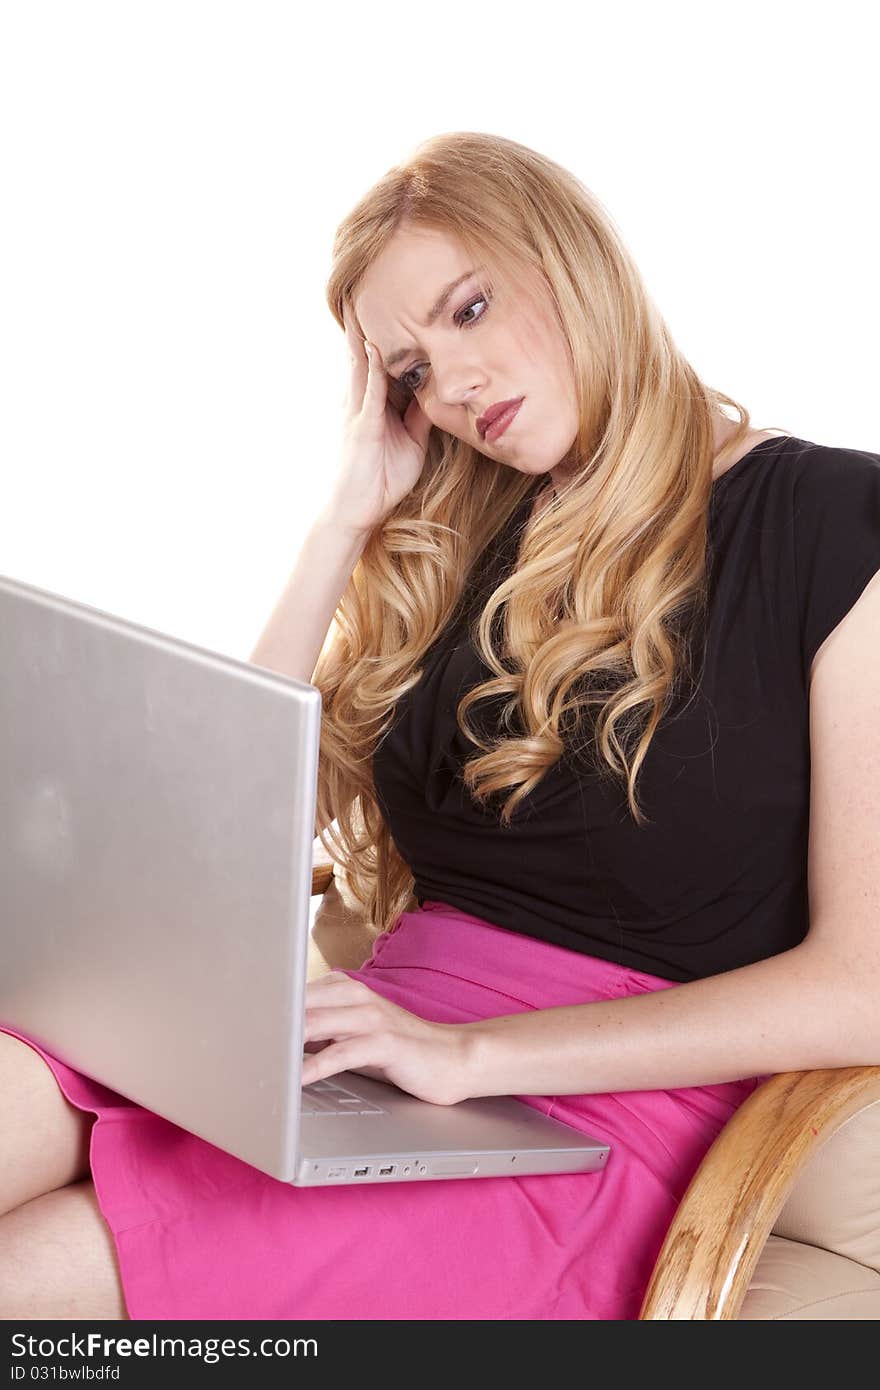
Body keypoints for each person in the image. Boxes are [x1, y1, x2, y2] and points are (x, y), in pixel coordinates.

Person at [2, 131, 879, 1322]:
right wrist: (343, 521)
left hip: (582, 1112)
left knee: (34, 1272)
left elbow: (861, 983)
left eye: (469, 309)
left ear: (573, 262)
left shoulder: (834, 520)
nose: (453, 385)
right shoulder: (463, 537)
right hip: (362, 1043)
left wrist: (465, 1059)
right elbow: (222, 827)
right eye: (410, 367)